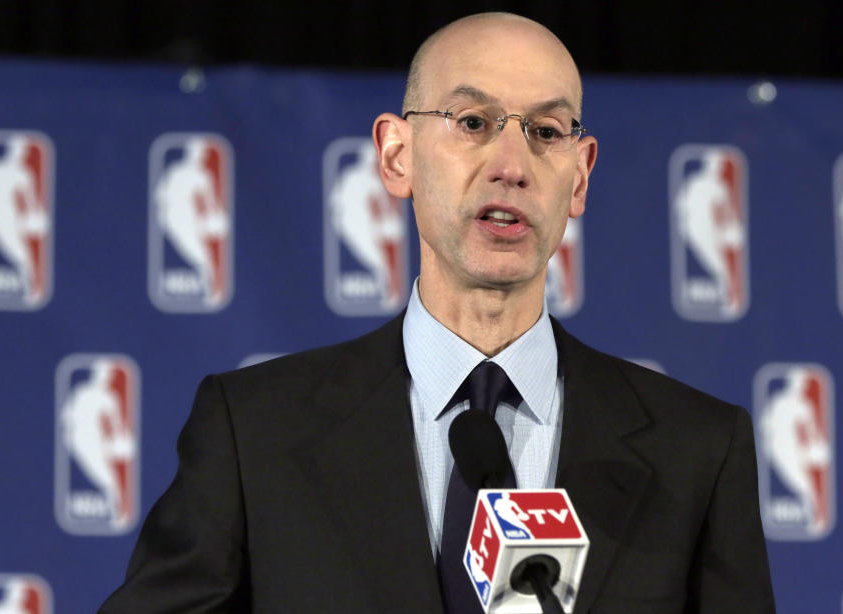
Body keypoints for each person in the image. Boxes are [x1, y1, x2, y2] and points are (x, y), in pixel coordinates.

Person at [100, 12, 775, 613]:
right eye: (473, 123)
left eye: (545, 131)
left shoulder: (697, 451)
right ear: (397, 155)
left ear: (581, 173)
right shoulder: (254, 433)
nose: (511, 164)